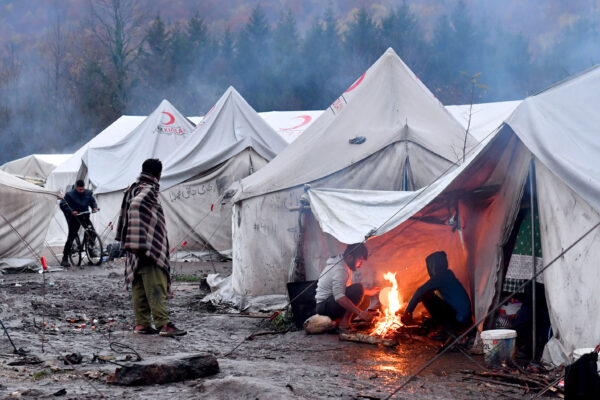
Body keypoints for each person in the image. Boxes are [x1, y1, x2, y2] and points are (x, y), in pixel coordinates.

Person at [115, 158, 186, 337]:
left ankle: (142, 324)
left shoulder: (132, 188)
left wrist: (131, 239)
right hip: (148, 248)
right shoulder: (148, 189)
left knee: (139, 286)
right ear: (159, 174)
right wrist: (141, 238)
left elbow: (127, 212)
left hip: (135, 249)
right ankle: (163, 324)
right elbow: (136, 205)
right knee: (156, 285)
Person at [401, 251, 472, 338]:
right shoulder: (448, 274)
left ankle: (448, 329)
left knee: (425, 295)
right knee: (428, 294)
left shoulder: (440, 276)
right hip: (466, 319)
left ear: (433, 266)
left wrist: (408, 311)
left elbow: (420, 291)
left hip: (460, 321)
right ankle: (446, 326)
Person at [315, 243, 380, 331]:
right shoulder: (340, 269)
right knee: (358, 289)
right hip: (324, 307)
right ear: (350, 257)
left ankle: (339, 321)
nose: (361, 265)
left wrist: (370, 291)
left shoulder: (344, 265)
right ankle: (344, 323)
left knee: (365, 299)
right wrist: (360, 313)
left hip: (330, 303)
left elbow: (347, 291)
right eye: (360, 261)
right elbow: (340, 297)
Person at [59, 180, 99, 267]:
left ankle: (90, 250)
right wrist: (71, 211)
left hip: (84, 215)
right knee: (71, 236)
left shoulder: (88, 193)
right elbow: (62, 204)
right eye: (80, 189)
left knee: (92, 232)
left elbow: (92, 201)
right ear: (76, 187)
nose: (81, 191)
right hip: (74, 217)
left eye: (83, 189)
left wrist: (94, 207)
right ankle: (65, 258)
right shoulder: (69, 195)